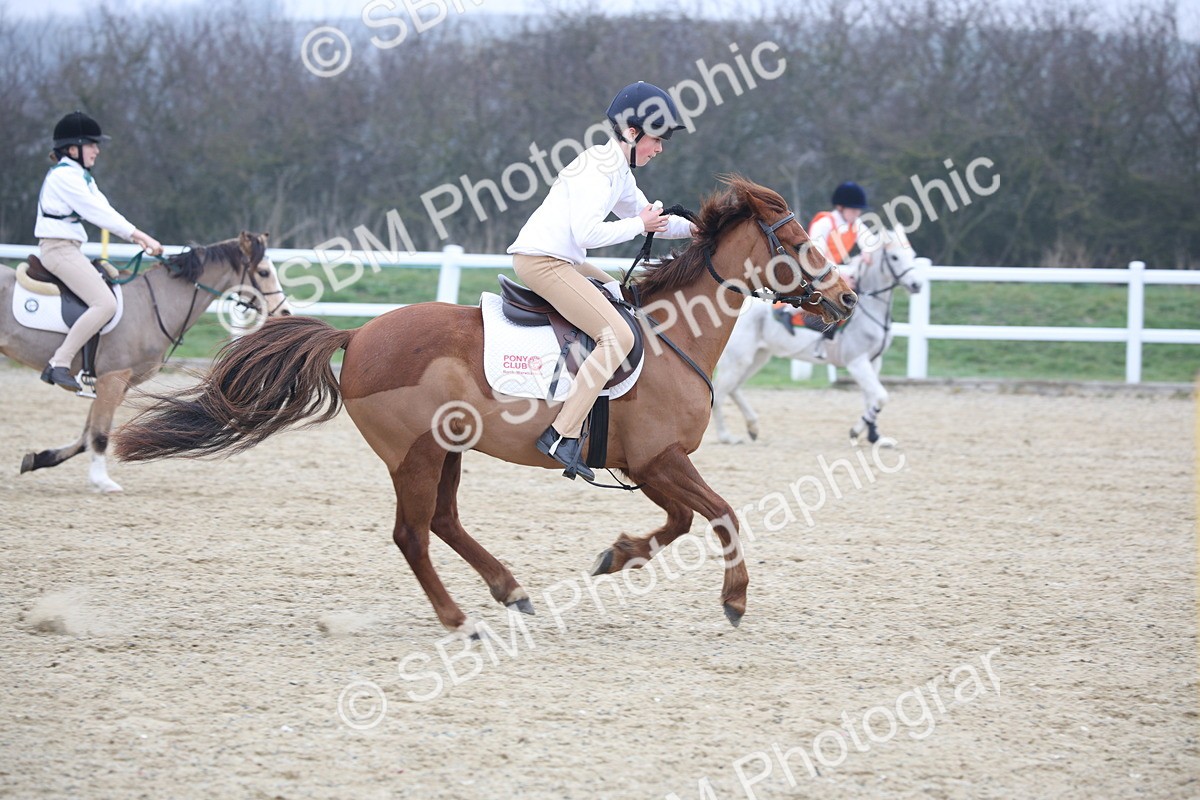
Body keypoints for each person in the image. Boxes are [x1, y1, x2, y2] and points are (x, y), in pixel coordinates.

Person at [507, 82, 695, 481]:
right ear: (632, 132)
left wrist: (700, 229)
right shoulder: (597, 169)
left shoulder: (617, 170)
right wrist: (639, 224)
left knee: (622, 297)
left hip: (562, 260)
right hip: (545, 263)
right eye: (657, 139)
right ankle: (561, 434)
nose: (659, 149)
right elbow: (588, 233)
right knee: (618, 336)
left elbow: (653, 219)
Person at [34, 110, 163, 392]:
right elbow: (98, 213)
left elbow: (106, 210)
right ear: (73, 149)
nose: (97, 150)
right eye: (92, 144)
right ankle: (59, 362)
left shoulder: (82, 177)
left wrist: (138, 238)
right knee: (105, 303)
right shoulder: (64, 176)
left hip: (71, 249)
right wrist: (140, 236)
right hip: (59, 250)